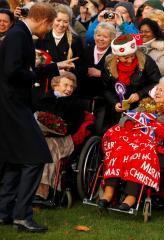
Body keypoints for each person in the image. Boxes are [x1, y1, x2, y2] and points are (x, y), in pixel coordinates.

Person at [0, 3, 76, 232]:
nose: (48, 30)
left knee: (16, 158)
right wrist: (35, 73)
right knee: (35, 156)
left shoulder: (19, 34)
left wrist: (54, 67)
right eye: (50, 25)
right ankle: (22, 215)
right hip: (12, 104)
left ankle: (5, 211)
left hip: (12, 103)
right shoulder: (18, 35)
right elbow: (13, 71)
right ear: (44, 20)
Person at [98, 76, 164, 211]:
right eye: (157, 89)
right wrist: (128, 123)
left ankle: (131, 196)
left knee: (141, 152)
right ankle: (109, 190)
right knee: (119, 147)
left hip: (158, 144)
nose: (157, 92)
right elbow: (125, 118)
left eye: (162, 90)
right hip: (137, 139)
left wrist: (163, 132)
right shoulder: (145, 105)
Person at [33, 72, 93, 204]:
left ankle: (42, 192)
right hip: (41, 136)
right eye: (66, 85)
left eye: (72, 86)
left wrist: (51, 132)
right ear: (55, 85)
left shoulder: (75, 104)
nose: (69, 89)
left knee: (48, 147)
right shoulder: (42, 99)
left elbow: (70, 127)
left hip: (64, 139)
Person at [102, 34, 161, 124]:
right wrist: (115, 103)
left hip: (142, 107)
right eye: (125, 58)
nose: (130, 60)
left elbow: (157, 82)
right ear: (117, 56)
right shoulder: (109, 65)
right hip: (118, 111)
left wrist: (139, 94)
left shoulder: (146, 61)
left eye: (132, 56)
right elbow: (105, 89)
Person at [35, 4, 85, 93]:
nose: (61, 25)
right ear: (52, 20)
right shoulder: (42, 37)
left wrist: (72, 68)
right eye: (58, 20)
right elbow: (37, 64)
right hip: (45, 87)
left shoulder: (75, 41)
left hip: (66, 90)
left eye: (65, 22)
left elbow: (83, 68)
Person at [82, 22, 116, 135]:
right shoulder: (86, 50)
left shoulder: (115, 54)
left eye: (105, 36)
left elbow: (118, 78)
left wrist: (101, 73)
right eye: (98, 35)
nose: (101, 39)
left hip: (104, 100)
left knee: (99, 130)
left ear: (111, 38)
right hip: (85, 97)